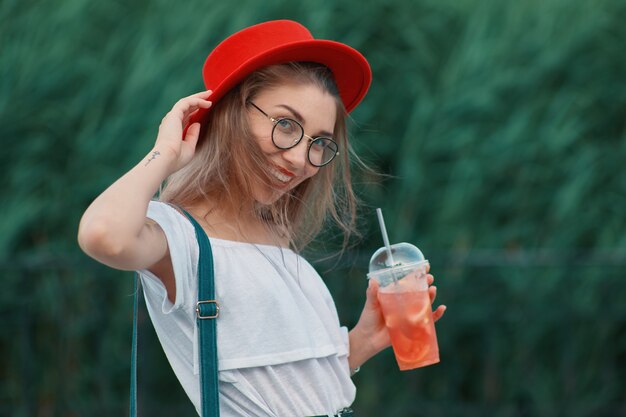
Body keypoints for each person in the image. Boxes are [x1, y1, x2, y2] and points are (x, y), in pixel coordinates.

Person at [78, 20, 446, 417]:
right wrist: (166, 153)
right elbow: (104, 236)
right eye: (286, 125)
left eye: (319, 143)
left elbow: (292, 387)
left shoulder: (275, 235)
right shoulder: (180, 235)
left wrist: (360, 341)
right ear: (231, 115)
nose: (300, 159)